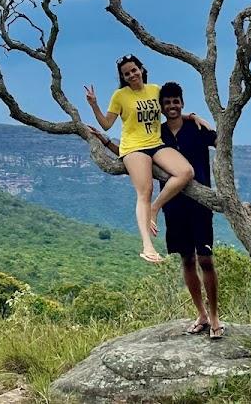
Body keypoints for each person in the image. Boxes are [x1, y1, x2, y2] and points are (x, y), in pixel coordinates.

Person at [91, 81, 223, 338]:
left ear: (182, 104)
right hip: (174, 205)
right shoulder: (156, 134)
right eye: (167, 103)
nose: (172, 106)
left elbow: (222, 142)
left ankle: (216, 316)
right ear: (161, 108)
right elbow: (133, 153)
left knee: (206, 259)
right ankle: (202, 315)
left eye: (176, 102)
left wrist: (200, 118)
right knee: (187, 259)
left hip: (200, 204)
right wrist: (105, 141)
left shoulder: (195, 128)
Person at [85, 55, 194, 264]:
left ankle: (155, 208)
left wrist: (192, 117)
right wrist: (94, 105)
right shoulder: (120, 95)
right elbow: (107, 124)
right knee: (145, 191)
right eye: (127, 74)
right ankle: (147, 246)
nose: (132, 75)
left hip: (156, 143)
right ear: (124, 78)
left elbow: (170, 111)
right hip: (134, 148)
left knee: (186, 172)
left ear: (141, 69)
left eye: (134, 70)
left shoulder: (155, 90)